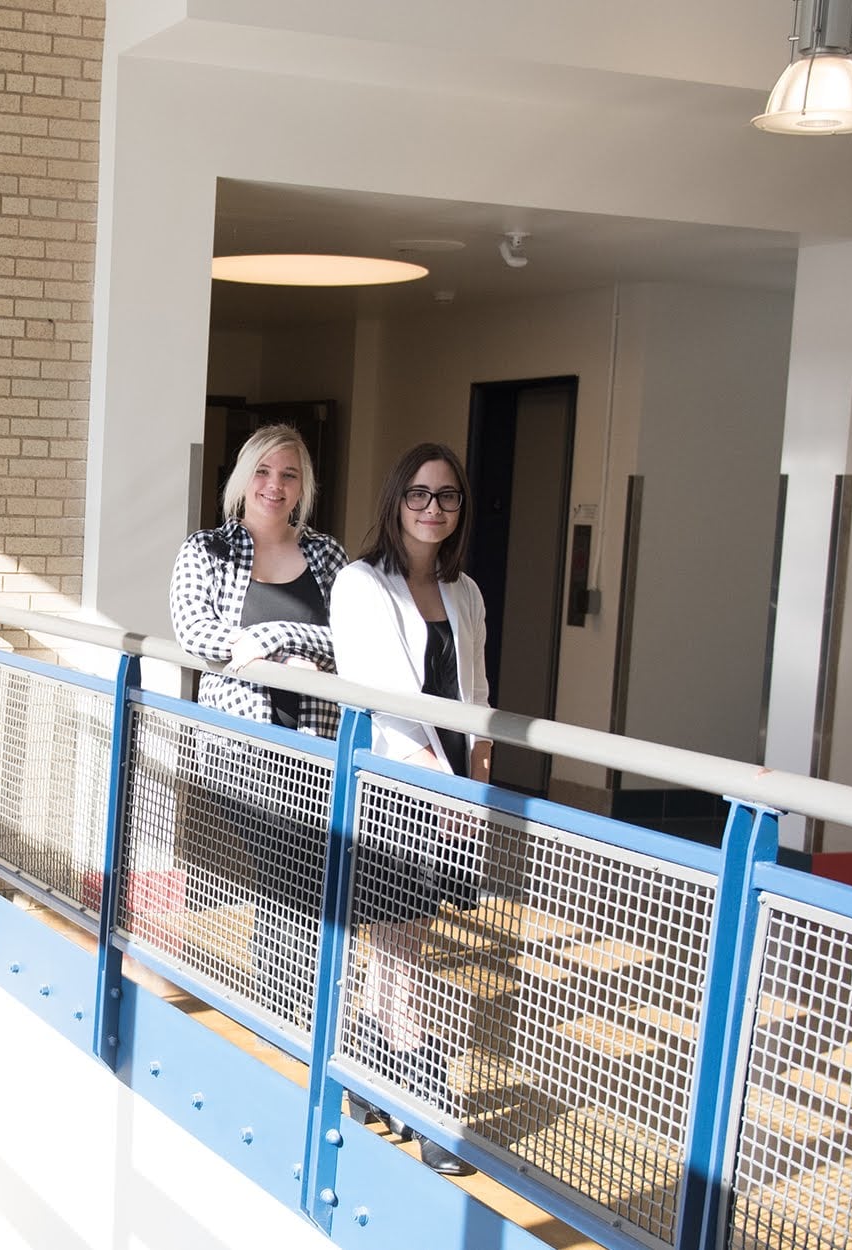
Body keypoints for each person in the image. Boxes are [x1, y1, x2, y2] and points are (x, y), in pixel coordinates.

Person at [328, 441, 491, 1177]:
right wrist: (439, 782)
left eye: (447, 496)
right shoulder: (362, 584)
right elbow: (381, 696)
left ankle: (363, 1063)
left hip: (453, 790)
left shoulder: (466, 592)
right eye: (420, 495)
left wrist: (478, 784)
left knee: (407, 940)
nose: (434, 509)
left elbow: (478, 698)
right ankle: (425, 1096)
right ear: (397, 502)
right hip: (395, 787)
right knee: (398, 944)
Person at [169, 425, 349, 1025]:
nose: (274, 485)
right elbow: (197, 634)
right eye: (263, 472)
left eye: (289, 474)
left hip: (316, 739)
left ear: (304, 487)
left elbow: (349, 641)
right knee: (281, 866)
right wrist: (284, 660)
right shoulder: (207, 550)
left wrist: (270, 639)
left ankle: (287, 1003)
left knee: (304, 870)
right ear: (242, 478)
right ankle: (286, 1003)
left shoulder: (327, 556)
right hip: (241, 743)